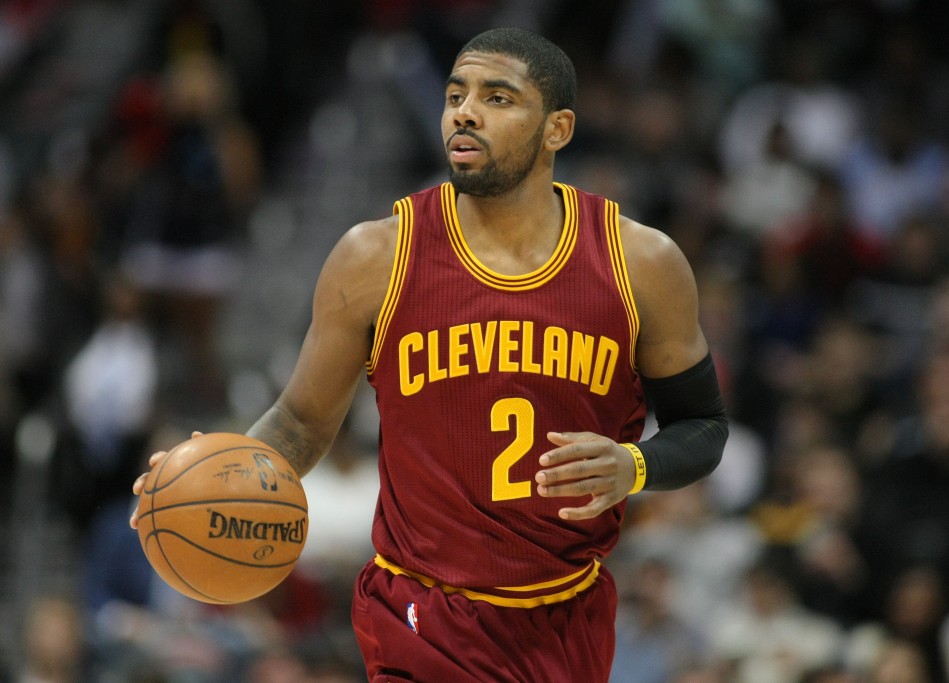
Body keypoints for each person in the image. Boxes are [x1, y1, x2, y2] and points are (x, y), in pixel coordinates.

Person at [131, 27, 728, 682]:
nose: (465, 111)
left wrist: (634, 464)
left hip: (563, 617)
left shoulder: (639, 263)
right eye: (455, 94)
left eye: (498, 97)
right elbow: (301, 422)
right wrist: (217, 476)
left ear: (557, 129)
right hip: (417, 613)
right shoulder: (376, 255)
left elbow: (703, 426)